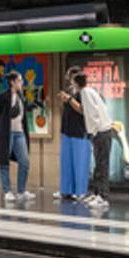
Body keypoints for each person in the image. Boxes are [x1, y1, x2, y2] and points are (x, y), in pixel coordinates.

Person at [0, 70, 33, 203]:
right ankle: (7, 191)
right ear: (12, 82)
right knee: (4, 162)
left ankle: (21, 191)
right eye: (19, 80)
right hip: (6, 134)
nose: (22, 83)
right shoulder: (4, 97)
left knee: (24, 161)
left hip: (19, 133)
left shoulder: (21, 96)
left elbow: (22, 113)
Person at [78, 72, 115, 210]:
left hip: (101, 132)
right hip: (103, 130)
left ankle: (103, 197)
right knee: (99, 164)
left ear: (76, 83)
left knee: (101, 165)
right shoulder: (90, 91)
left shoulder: (85, 93)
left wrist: (92, 132)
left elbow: (92, 113)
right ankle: (98, 193)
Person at [54, 67, 90, 200]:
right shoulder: (69, 90)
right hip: (67, 130)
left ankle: (80, 191)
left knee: (80, 163)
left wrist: (69, 100)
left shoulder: (84, 92)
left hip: (80, 131)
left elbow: (82, 110)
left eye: (71, 77)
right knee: (66, 162)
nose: (69, 80)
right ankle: (66, 190)